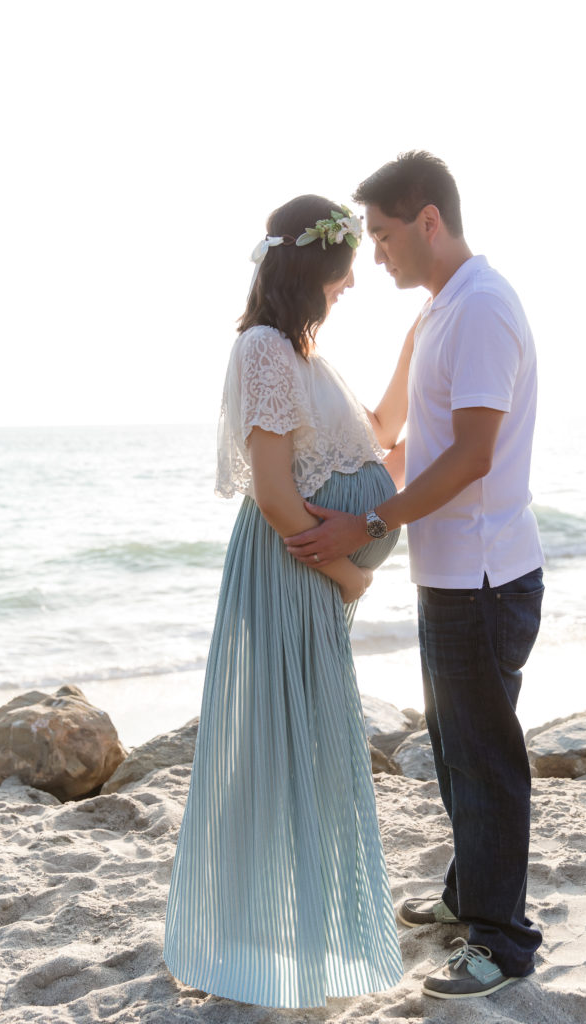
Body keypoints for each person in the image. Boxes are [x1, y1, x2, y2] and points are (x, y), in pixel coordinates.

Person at [284, 152, 545, 1000]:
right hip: (447, 576)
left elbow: (470, 457)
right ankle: (469, 896)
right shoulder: (435, 314)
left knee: (485, 760)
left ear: (428, 220)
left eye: (385, 235)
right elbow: (387, 431)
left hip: (485, 578)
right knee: (455, 751)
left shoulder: (482, 309)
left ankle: (502, 944)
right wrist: (294, 380)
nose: (376, 254)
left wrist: (368, 524)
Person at [163, 195, 403, 1009]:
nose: (350, 286)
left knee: (308, 754)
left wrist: (417, 347)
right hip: (294, 571)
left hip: (308, 573)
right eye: (342, 273)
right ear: (311, 268)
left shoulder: (302, 351)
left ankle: (295, 939)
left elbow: (376, 433)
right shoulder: (265, 349)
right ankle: (258, 946)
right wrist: (349, 576)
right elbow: (272, 494)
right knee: (282, 754)